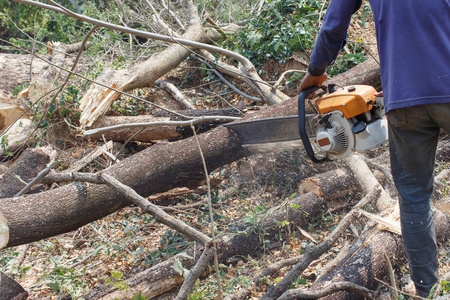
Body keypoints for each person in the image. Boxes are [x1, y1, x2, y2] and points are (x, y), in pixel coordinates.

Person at [298, 0, 450, 297]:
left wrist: (317, 68)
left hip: (404, 99)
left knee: (413, 195)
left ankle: (428, 292)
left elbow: (335, 20)